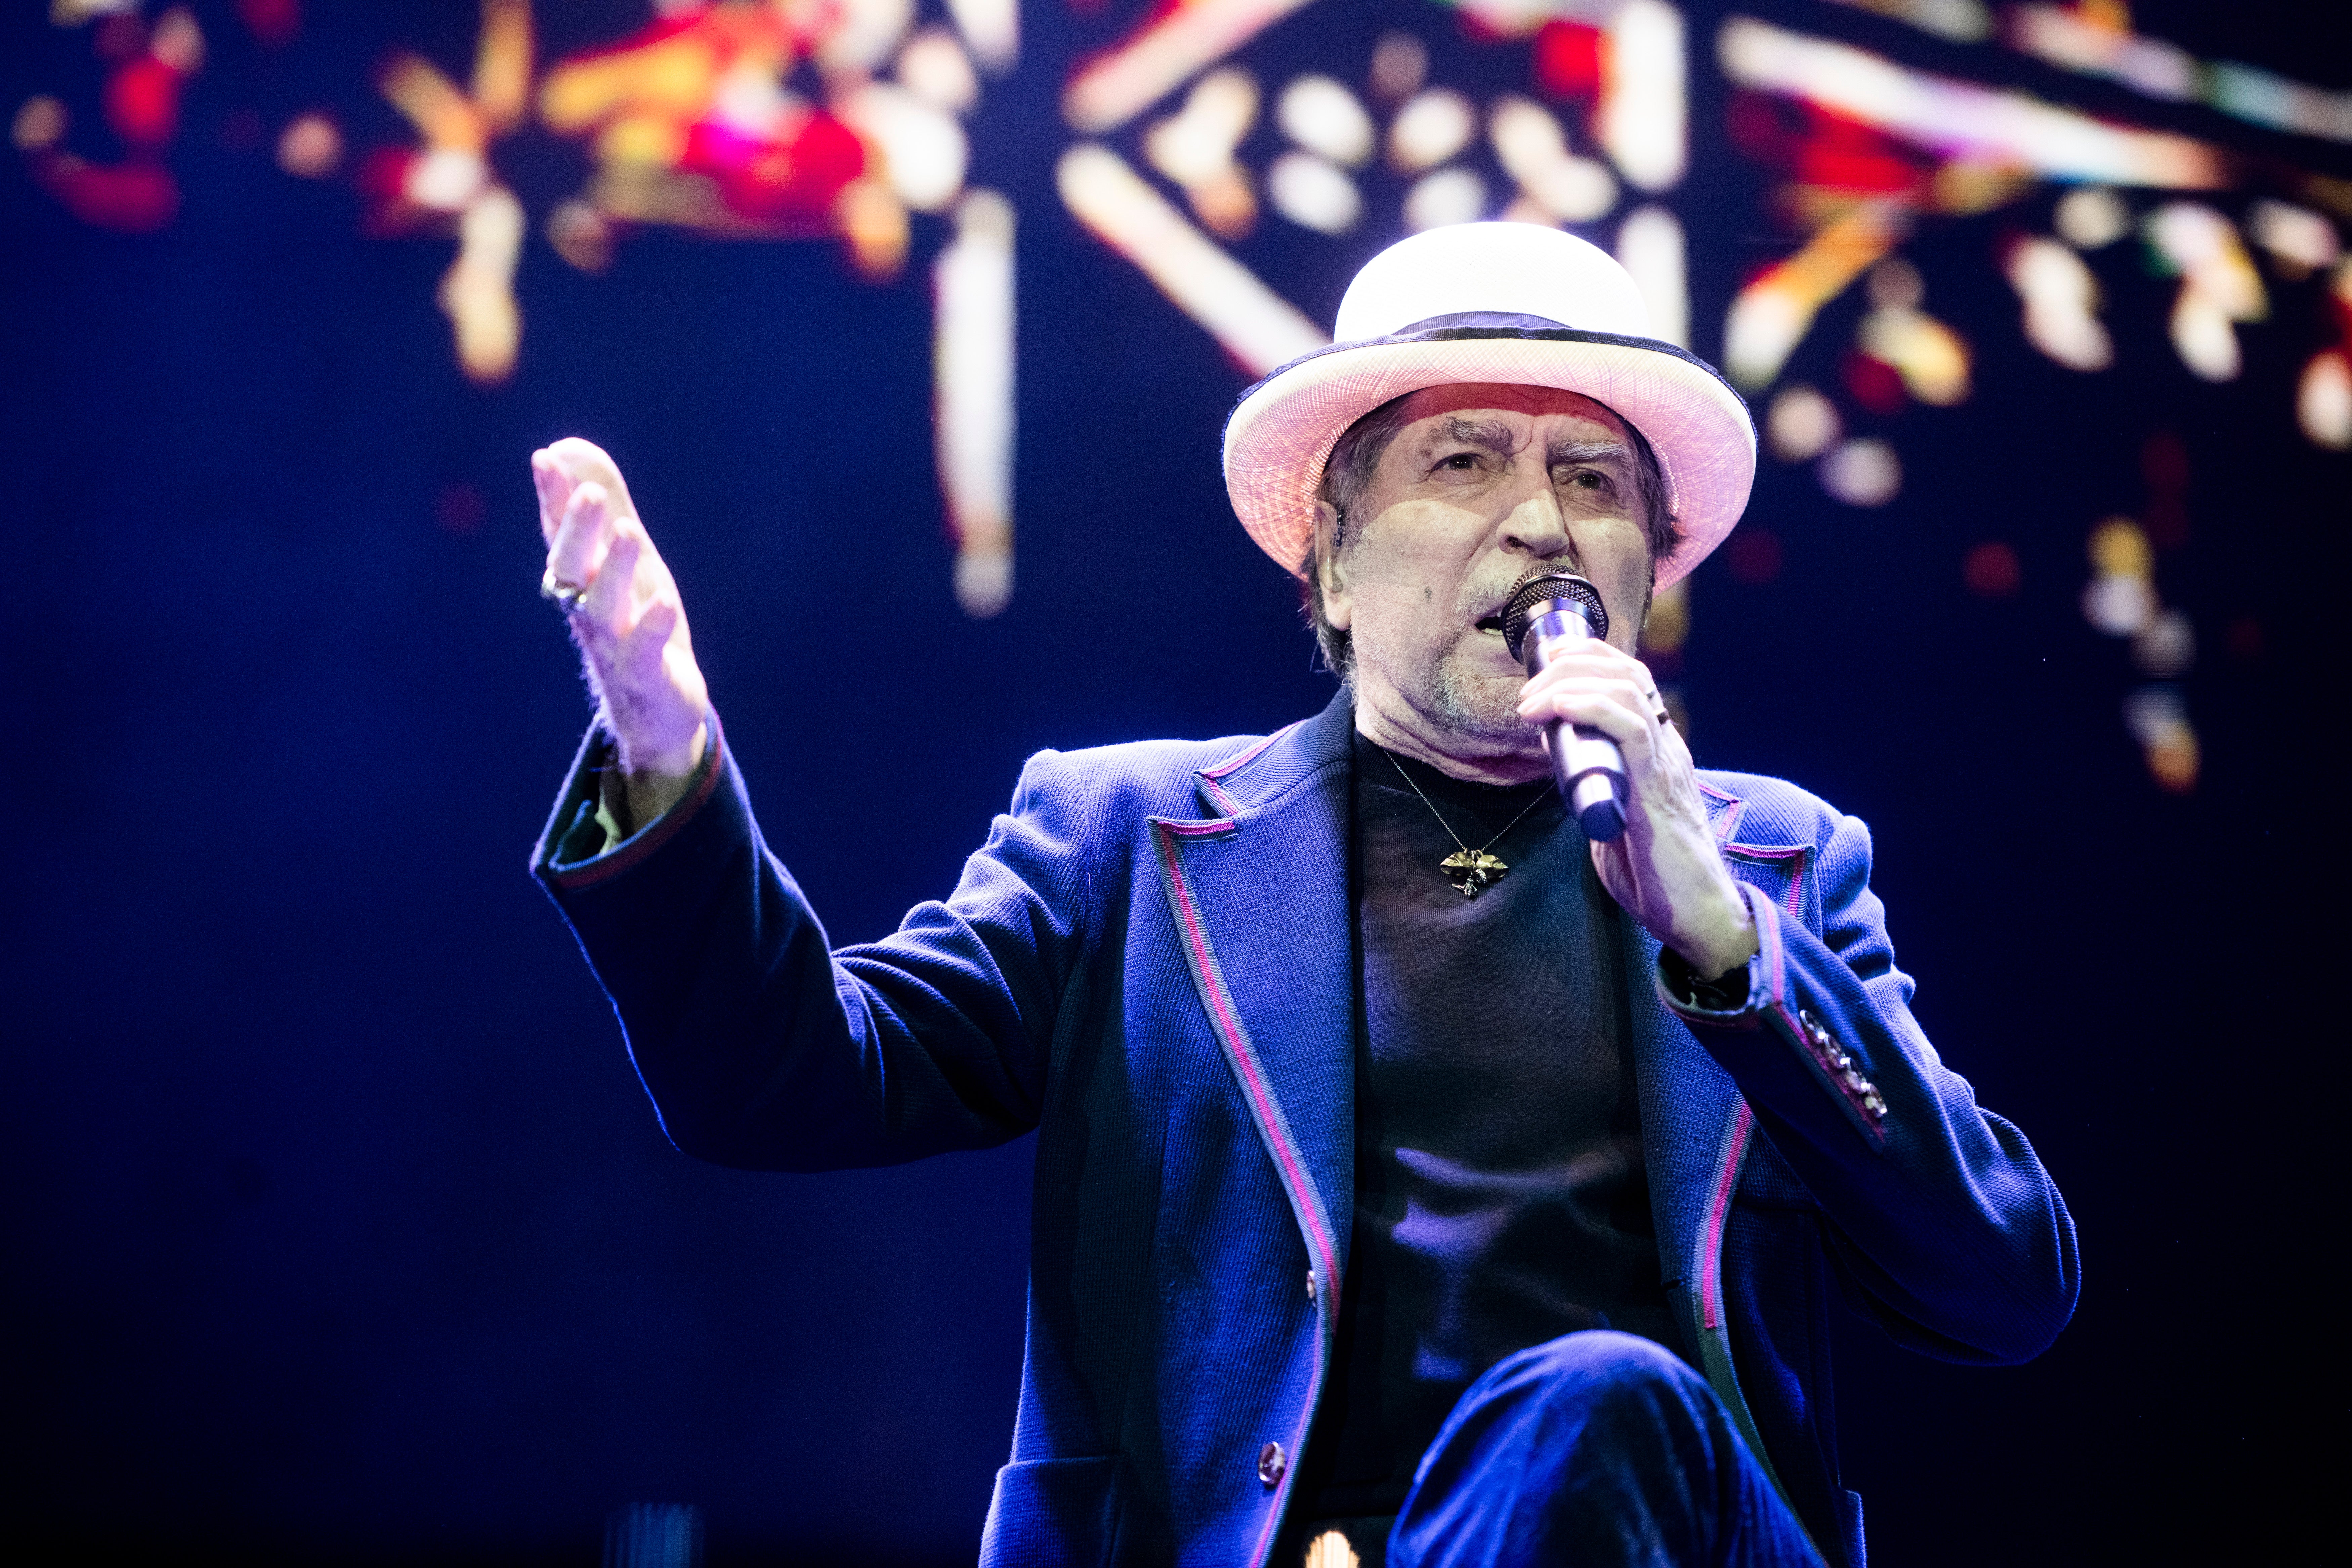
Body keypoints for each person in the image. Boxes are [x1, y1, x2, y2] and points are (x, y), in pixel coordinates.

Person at [527, 224, 2078, 1568]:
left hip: (1654, 1514)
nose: (1540, 522)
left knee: (1607, 1401)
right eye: (1462, 461)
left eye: (1593, 479)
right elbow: (786, 1086)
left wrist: (1734, 952)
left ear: (1649, 568)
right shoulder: (1121, 838)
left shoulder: (1779, 865)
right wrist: (667, 763)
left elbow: (1999, 1287)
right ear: (1329, 566)